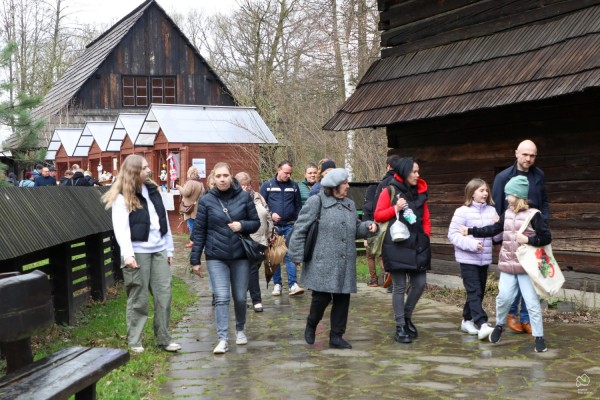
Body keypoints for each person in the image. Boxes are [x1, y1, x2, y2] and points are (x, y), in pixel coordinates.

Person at [288, 168, 377, 349]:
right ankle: (311, 324)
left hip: (345, 260)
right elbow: (300, 229)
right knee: (321, 298)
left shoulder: (350, 204)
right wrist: (295, 255)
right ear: (334, 186)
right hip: (322, 260)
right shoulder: (317, 201)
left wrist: (367, 227)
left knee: (342, 299)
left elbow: (355, 228)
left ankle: (336, 336)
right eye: (345, 183)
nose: (348, 186)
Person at [461, 175, 551, 352]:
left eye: (508, 194)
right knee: (503, 299)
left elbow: (547, 237)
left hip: (526, 269)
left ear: (516, 195)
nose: (505, 198)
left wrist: (528, 239)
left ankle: (539, 337)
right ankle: (500, 325)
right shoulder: (507, 214)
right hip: (508, 267)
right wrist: (471, 231)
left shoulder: (534, 215)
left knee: (532, 303)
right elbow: (493, 230)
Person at [101, 154, 180, 354]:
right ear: (134, 171)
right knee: (139, 298)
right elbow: (121, 229)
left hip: (159, 249)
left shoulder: (153, 190)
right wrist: (128, 255)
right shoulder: (122, 196)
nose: (148, 171)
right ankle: (135, 341)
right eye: (144, 168)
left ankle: (164, 338)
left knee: (164, 295)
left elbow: (164, 221)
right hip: (138, 252)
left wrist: (169, 248)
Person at [190, 162, 260, 354]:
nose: (222, 179)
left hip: (240, 255)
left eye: (226, 176)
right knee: (221, 297)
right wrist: (195, 259)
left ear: (232, 177)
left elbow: (255, 223)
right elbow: (199, 231)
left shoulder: (244, 197)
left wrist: (242, 225)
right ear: (213, 178)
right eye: (218, 176)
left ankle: (240, 329)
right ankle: (222, 338)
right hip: (216, 256)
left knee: (239, 296)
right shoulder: (206, 200)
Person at [492, 139, 549, 334]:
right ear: (516, 153)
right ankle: (511, 315)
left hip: (532, 237)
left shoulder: (538, 175)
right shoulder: (503, 177)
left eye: (532, 155)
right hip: (511, 237)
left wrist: (544, 224)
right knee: (514, 276)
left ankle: (526, 319)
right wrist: (499, 239)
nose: (529, 159)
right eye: (525, 154)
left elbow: (544, 203)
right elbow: (498, 210)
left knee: (531, 277)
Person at [374, 157, 431, 344]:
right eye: (414, 171)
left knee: (420, 283)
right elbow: (378, 215)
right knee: (399, 286)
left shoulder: (420, 192)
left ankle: (407, 317)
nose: (417, 175)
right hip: (396, 244)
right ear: (405, 172)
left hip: (417, 244)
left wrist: (426, 236)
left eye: (418, 171)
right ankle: (400, 326)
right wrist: (395, 208)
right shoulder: (389, 190)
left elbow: (426, 219)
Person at [448, 178, 499, 340]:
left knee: (478, 292)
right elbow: (453, 235)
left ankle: (466, 320)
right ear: (472, 193)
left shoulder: (492, 211)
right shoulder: (462, 211)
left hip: (484, 260)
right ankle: (482, 323)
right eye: (481, 190)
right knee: (474, 290)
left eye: (486, 190)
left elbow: (496, 235)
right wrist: (471, 244)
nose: (485, 193)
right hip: (467, 258)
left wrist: (499, 225)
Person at [259, 160, 304, 296]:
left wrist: (297, 221)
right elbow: (260, 206)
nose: (288, 175)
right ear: (278, 170)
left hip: (290, 225)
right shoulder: (267, 185)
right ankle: (277, 284)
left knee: (290, 254)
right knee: (275, 256)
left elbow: (298, 205)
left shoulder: (294, 186)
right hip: (274, 227)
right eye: (286, 173)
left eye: (290, 173)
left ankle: (293, 285)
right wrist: (271, 215)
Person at [235, 171, 273, 313]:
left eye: (248, 184)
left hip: (261, 240)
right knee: (252, 271)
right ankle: (256, 301)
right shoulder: (235, 199)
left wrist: (270, 233)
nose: (246, 187)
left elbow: (267, 214)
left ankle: (241, 298)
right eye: (242, 185)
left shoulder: (258, 197)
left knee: (251, 271)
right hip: (246, 241)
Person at [373, 155, 400, 293]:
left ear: (388, 166)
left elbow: (376, 205)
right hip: (401, 224)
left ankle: (391, 282)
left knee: (386, 253)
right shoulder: (403, 182)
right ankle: (396, 282)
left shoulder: (384, 184)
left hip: (386, 223)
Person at [176, 166, 205, 249]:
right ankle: (197, 241)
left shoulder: (190, 182)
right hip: (197, 207)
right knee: (196, 225)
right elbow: (203, 194)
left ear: (189, 173)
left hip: (189, 208)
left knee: (191, 225)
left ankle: (193, 242)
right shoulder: (200, 183)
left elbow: (186, 193)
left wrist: (179, 188)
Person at [362, 183, 383, 287]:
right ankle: (388, 274)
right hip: (380, 232)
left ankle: (374, 280)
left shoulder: (366, 206)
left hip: (370, 234)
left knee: (370, 257)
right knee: (380, 256)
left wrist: (365, 239)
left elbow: (364, 223)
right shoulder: (379, 203)